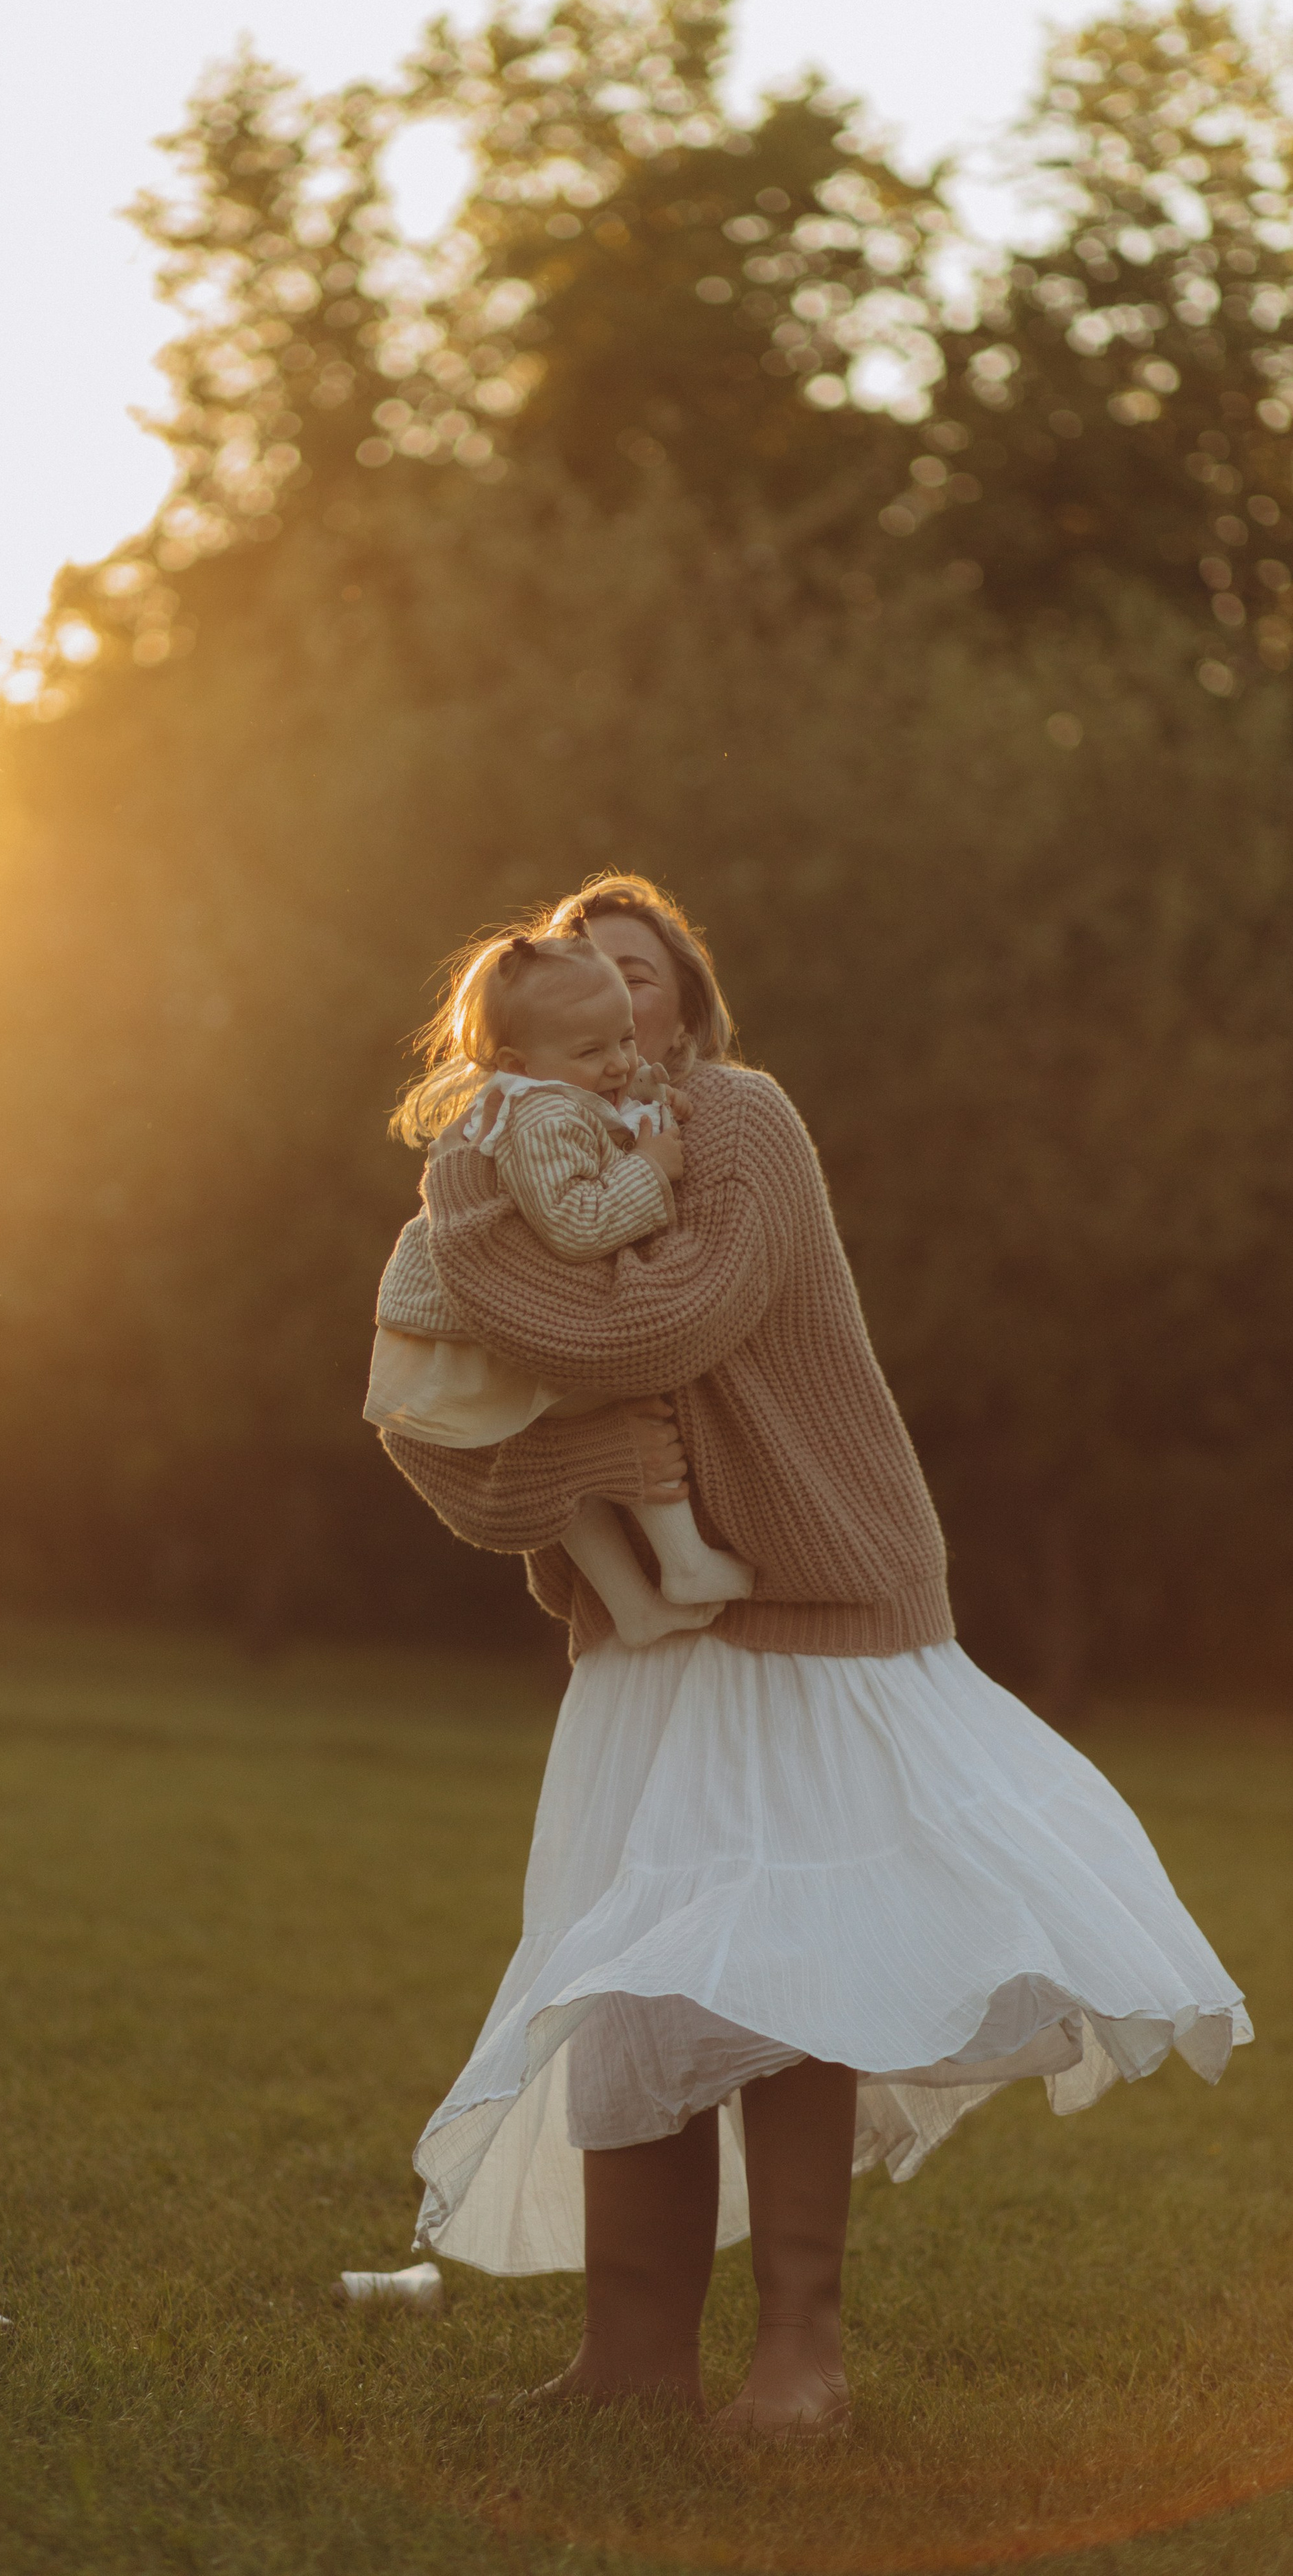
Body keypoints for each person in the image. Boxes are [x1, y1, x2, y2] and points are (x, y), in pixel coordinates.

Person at [378, 872, 1251, 2438]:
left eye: (634, 976)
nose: (608, 1003)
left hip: (805, 1603)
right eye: (574, 983)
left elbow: (641, 1334)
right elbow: (465, 1352)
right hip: (649, 1639)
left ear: (686, 1005)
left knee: (789, 1984)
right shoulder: (518, 1145)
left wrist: (500, 1273)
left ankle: (801, 2359)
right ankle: (628, 2360)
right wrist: (496, 1264)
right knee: (630, 1980)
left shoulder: (739, 1123)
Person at [365, 921, 754, 1645]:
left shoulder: (556, 1087)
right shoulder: (540, 1115)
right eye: (592, 1051)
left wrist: (646, 1096)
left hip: (460, 1330)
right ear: (518, 1060)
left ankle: (634, 1607)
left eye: (624, 1041)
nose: (615, 1063)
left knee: (576, 1458)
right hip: (464, 1337)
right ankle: (684, 1562)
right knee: (631, 1375)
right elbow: (575, 1221)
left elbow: (608, 1100)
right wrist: (650, 1167)